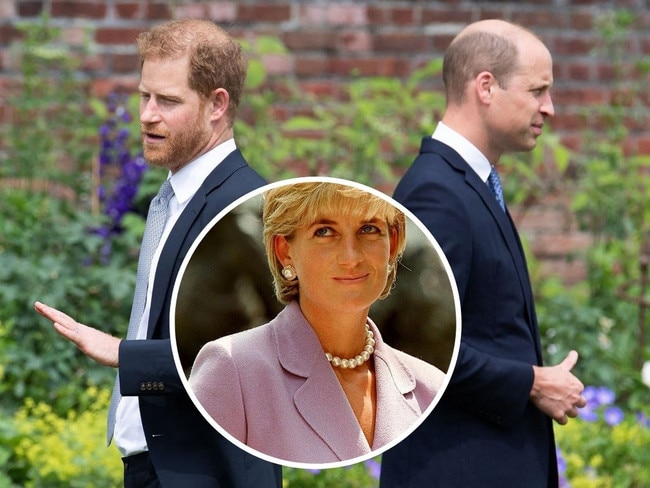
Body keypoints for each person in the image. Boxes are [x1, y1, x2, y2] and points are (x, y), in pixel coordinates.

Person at [34, 19, 281, 488]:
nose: (147, 115)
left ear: (217, 104)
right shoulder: (173, 196)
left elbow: (255, 357)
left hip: (209, 472)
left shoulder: (245, 206)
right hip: (160, 468)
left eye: (167, 101)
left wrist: (124, 355)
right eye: (144, 96)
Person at [379, 19, 586, 487]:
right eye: (537, 91)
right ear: (486, 87)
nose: (549, 108)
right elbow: (409, 344)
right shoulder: (437, 193)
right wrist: (530, 382)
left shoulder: (467, 185)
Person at [188, 180, 446, 464]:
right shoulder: (231, 369)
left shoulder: (430, 386)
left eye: (369, 229)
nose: (351, 257)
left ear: (392, 243)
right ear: (285, 251)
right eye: (324, 232)